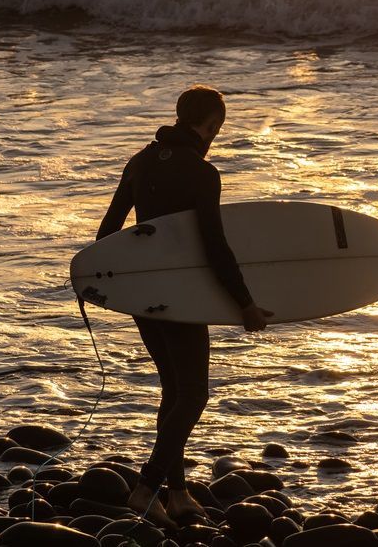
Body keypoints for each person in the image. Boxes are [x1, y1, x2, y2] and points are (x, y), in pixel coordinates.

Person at [96, 85, 273, 527]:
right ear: (211, 124)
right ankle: (147, 485)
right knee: (193, 393)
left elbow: (107, 237)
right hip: (181, 296)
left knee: (173, 391)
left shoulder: (138, 162)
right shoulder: (201, 173)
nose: (217, 134)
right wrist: (246, 304)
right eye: (218, 127)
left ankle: (176, 494)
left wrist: (111, 289)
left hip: (142, 295)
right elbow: (215, 245)